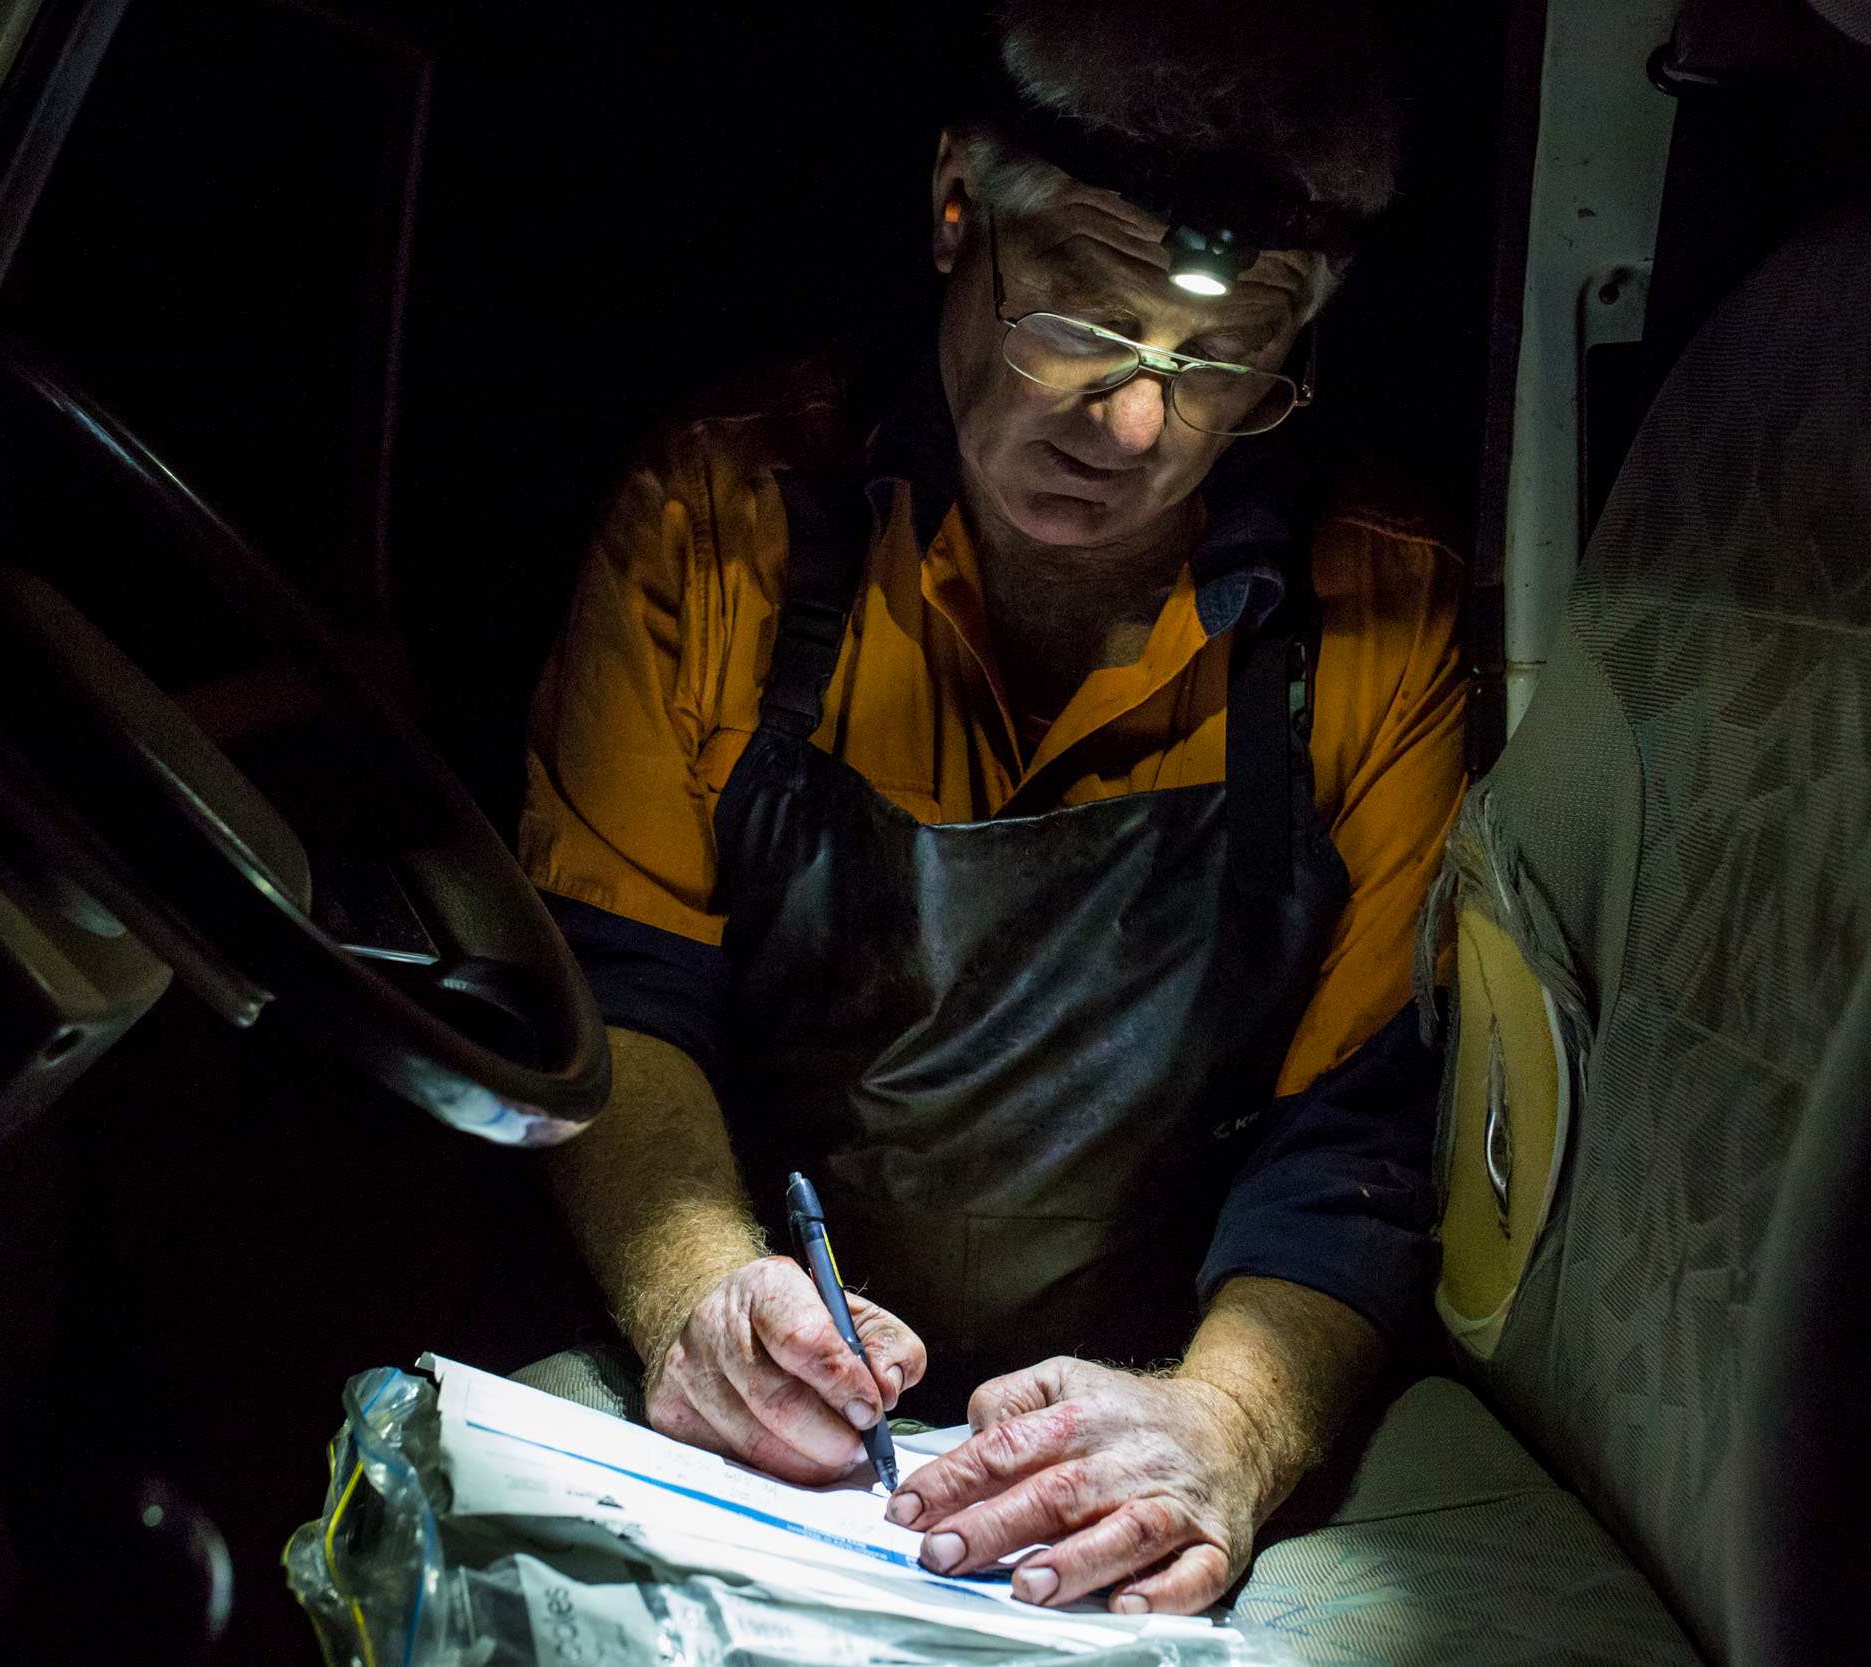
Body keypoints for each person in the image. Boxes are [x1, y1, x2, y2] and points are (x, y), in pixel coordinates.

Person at [517, 0, 1463, 1616]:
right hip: (782, 1396)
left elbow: (1356, 1142)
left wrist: (1225, 1422)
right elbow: (610, 1002)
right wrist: (699, 1296)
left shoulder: (1377, 611)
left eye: (1221, 357)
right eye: (1080, 322)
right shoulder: (720, 521)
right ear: (957, 203)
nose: (1135, 423)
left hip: (1152, 1384)